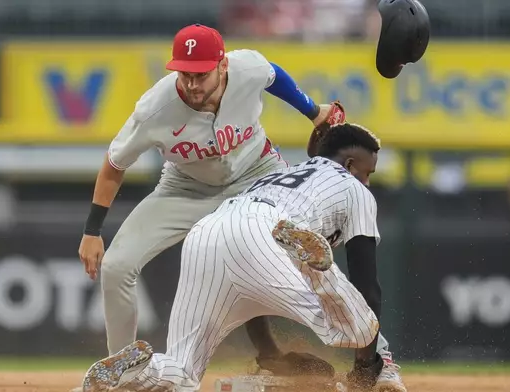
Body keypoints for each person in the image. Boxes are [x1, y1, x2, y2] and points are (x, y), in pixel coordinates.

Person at [77, 21, 350, 377]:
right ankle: (122, 374)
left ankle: (365, 356)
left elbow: (274, 76)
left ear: (223, 66)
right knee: (116, 267)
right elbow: (114, 164)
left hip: (258, 175)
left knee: (284, 253)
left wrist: (314, 111)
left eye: (200, 75)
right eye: (183, 74)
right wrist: (92, 230)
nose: (190, 84)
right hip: (185, 188)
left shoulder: (246, 67)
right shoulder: (154, 110)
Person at [80, 123, 405, 392]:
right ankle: (319, 270)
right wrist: (365, 371)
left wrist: (269, 354)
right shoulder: (354, 188)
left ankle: (138, 369)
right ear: (349, 166)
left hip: (211, 229)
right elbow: (367, 287)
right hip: (271, 231)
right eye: (368, 171)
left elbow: (248, 288)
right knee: (359, 329)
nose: (368, 180)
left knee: (182, 372)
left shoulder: (275, 176)